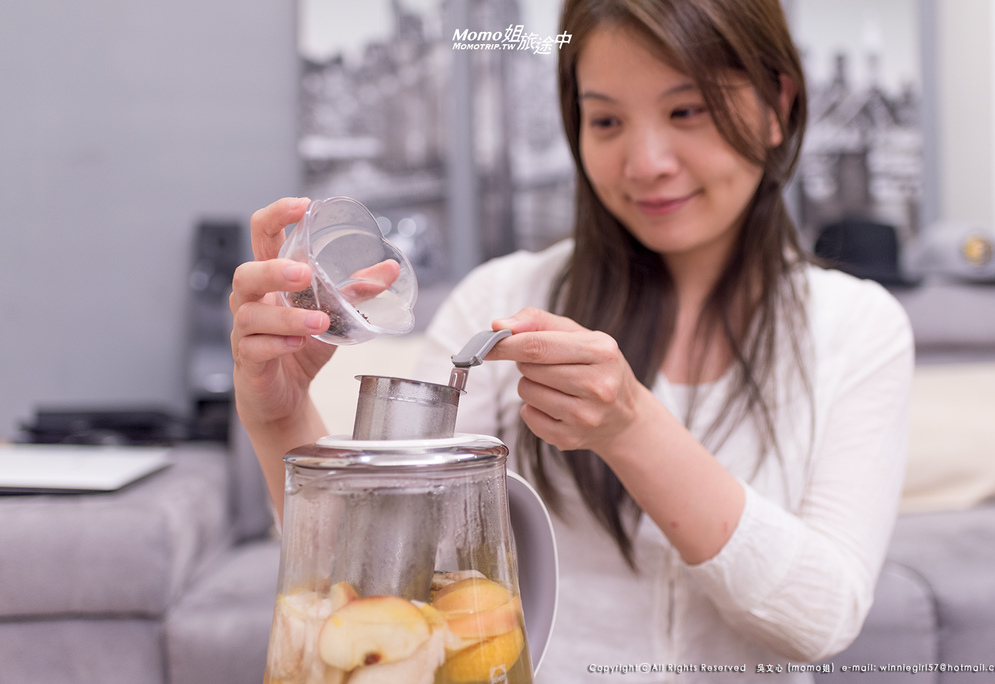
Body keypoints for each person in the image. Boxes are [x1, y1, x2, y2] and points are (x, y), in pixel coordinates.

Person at [230, 0, 914, 681]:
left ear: (776, 106)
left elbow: (821, 618)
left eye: (687, 110)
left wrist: (631, 426)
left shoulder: (857, 328)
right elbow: (377, 592)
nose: (645, 163)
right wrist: (281, 414)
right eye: (607, 120)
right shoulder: (499, 304)